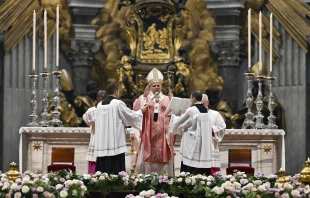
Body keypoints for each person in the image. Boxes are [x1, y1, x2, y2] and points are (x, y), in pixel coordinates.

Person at [94, 83, 146, 174]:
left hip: (102, 141)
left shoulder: (99, 105)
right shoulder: (118, 103)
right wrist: (141, 111)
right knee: (115, 167)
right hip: (115, 142)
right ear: (116, 92)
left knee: (102, 169)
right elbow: (130, 116)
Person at [133, 68, 174, 176]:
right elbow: (136, 109)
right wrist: (144, 96)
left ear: (161, 86)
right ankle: (147, 176)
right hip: (149, 131)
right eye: (154, 86)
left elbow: (175, 113)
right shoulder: (145, 98)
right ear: (150, 86)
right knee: (148, 152)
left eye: (158, 85)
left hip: (163, 132)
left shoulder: (166, 98)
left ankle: (164, 177)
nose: (156, 88)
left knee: (163, 153)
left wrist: (173, 101)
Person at [169, 91, 212, 175]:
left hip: (192, 140)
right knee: (200, 160)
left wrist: (172, 116)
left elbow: (180, 122)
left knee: (190, 160)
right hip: (203, 141)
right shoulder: (205, 110)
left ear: (193, 99)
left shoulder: (191, 110)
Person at [83, 90, 107, 174]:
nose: (101, 100)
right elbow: (88, 121)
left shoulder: (109, 110)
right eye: (99, 98)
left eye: (103, 98)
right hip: (95, 138)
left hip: (106, 139)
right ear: (96, 99)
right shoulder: (92, 110)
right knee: (94, 160)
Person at [202, 94, 226, 175]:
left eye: (203, 104)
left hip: (211, 145)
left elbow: (222, 127)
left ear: (207, 103)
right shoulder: (194, 114)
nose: (201, 107)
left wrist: (211, 129)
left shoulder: (215, 114)